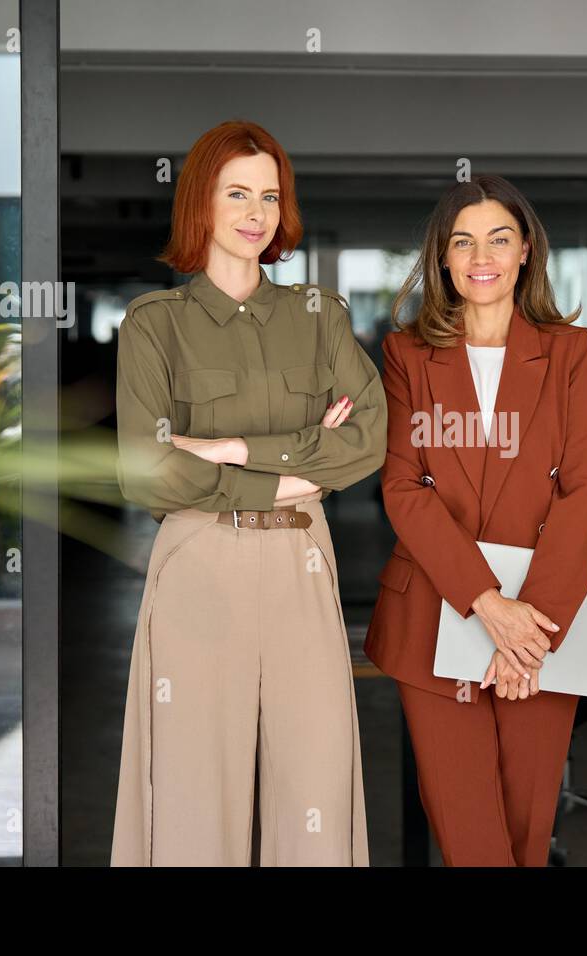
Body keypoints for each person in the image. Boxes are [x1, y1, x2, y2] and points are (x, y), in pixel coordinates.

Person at [110, 120, 386, 866]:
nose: (256, 211)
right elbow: (144, 471)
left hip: (301, 559)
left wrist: (224, 448)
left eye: (269, 195)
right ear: (201, 201)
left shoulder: (320, 316)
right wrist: (301, 462)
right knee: (197, 794)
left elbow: (366, 442)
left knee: (317, 790)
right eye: (237, 193)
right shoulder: (153, 325)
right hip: (199, 562)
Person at [365, 174, 587, 866]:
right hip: (438, 617)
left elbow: (583, 492)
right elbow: (404, 485)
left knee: (527, 836)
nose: (481, 256)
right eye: (462, 241)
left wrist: (528, 628)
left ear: (526, 250)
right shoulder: (407, 353)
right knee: (472, 839)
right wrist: (489, 604)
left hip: (543, 627)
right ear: (443, 257)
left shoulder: (571, 352)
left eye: (499, 238)